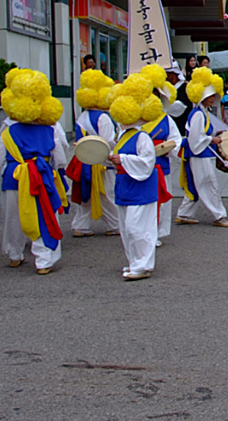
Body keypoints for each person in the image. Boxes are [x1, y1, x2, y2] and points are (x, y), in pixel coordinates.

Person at [0, 68, 70, 274]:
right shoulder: (50, 129)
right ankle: (44, 260)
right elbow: (59, 158)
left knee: (14, 216)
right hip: (42, 176)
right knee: (44, 214)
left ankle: (14, 254)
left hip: (14, 176)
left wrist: (11, 169)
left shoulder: (7, 131)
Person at [108, 75, 160, 280]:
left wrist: (122, 158)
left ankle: (143, 264)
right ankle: (135, 262)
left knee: (137, 227)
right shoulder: (122, 136)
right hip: (125, 186)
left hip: (141, 188)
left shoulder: (143, 136)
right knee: (127, 229)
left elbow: (147, 163)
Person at [176, 67, 228, 228]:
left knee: (198, 183)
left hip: (201, 153)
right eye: (209, 96)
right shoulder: (198, 114)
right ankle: (219, 215)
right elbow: (196, 138)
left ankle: (184, 213)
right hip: (199, 154)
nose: (212, 98)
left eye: (213, 95)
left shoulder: (201, 113)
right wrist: (212, 139)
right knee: (208, 184)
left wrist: (214, 135)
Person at [66, 69, 120, 238]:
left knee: (85, 195)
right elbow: (108, 142)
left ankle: (80, 225)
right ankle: (116, 224)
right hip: (101, 162)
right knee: (107, 194)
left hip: (83, 159)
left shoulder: (82, 116)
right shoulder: (103, 118)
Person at [138, 65, 182, 245]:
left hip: (160, 166)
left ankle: (156, 232)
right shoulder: (134, 119)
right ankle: (142, 231)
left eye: (156, 95)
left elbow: (176, 140)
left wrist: (167, 148)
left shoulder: (166, 119)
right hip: (139, 166)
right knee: (141, 202)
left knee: (161, 201)